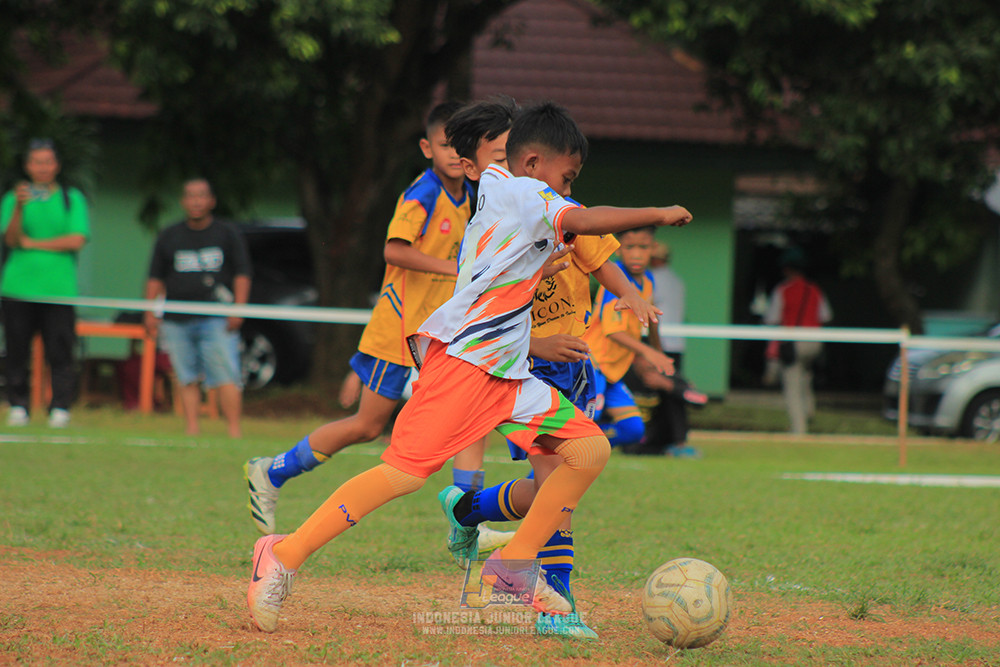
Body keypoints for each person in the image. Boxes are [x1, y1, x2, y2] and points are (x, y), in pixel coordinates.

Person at [245, 101, 693, 634]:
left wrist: (535, 341)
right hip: (465, 367)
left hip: (507, 373)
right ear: (528, 163)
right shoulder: (520, 190)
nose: (568, 188)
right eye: (566, 177)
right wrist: (659, 214)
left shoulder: (514, 197)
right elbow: (584, 220)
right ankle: (281, 554)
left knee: (589, 448)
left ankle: (512, 566)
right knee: (402, 475)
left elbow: (548, 261)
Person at [436, 97, 666, 638]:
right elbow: (482, 313)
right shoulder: (496, 226)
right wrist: (538, 344)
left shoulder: (560, 209)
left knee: (554, 487)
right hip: (524, 372)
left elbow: (602, 257)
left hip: (573, 371)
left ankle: (470, 509)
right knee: (562, 484)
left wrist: (632, 296)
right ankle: (555, 603)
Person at [242, 102, 485, 535]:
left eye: (461, 145)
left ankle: (468, 523)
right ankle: (272, 471)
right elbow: (394, 250)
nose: (454, 153)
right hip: (399, 331)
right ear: (427, 148)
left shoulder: (469, 194)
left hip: (440, 333)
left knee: (468, 420)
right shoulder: (422, 193)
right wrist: (457, 270)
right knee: (368, 426)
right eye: (445, 144)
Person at [143, 178, 251, 438]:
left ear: (211, 201)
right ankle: (192, 430)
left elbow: (243, 272)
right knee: (186, 376)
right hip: (176, 320)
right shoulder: (169, 235)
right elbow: (155, 277)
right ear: (183, 201)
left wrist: (239, 309)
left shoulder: (227, 234)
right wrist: (150, 312)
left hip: (217, 317)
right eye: (190, 195)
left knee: (226, 374)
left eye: (201, 195)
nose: (196, 201)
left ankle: (234, 432)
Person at [1, 138, 90, 428]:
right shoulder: (14, 199)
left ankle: (60, 407)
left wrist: (34, 243)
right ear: (28, 166)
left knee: (60, 350)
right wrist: (19, 208)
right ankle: (18, 405)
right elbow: (11, 240)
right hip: (18, 288)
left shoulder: (71, 197)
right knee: (16, 350)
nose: (42, 167)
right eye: (37, 162)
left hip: (59, 290)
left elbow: (76, 239)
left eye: (48, 161)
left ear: (57, 166)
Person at [583, 226, 678, 450]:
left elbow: (651, 316)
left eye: (643, 247)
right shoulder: (614, 279)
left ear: (653, 249)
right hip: (591, 366)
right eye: (629, 247)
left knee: (633, 429)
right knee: (581, 429)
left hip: (612, 371)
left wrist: (658, 352)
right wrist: (648, 352)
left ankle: (582, 445)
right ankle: (543, 477)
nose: (636, 254)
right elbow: (612, 330)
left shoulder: (647, 281)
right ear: (618, 250)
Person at [623, 242, 707, 457]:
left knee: (657, 389)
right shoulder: (677, 281)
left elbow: (645, 311)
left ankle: (652, 439)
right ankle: (675, 441)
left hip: (657, 344)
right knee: (670, 392)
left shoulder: (652, 281)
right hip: (675, 345)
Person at [763, 246, 832, 434]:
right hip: (814, 342)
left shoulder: (782, 290)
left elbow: (772, 319)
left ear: (786, 269)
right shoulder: (815, 290)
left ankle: (799, 430)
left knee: (792, 384)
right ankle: (809, 410)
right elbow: (825, 316)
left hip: (794, 343)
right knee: (805, 375)